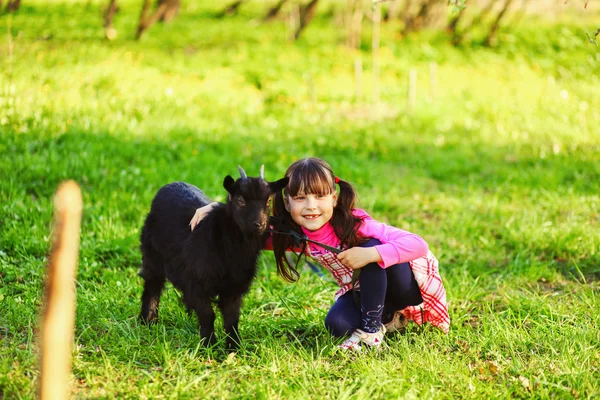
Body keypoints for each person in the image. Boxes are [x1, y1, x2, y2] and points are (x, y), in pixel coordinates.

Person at [190, 158, 450, 351]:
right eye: (301, 198)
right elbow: (245, 225)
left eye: (319, 196)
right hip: (367, 289)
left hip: (406, 284)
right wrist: (219, 209)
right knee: (337, 324)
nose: (311, 206)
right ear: (288, 203)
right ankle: (389, 317)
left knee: (370, 248)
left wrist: (371, 255)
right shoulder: (294, 236)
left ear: (334, 199)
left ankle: (371, 332)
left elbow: (418, 244)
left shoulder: (356, 224)